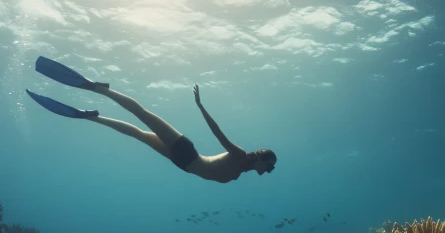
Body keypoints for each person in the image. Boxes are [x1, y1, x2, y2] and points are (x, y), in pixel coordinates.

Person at [25, 57, 277, 183]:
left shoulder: (242, 170)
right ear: (263, 158)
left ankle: (91, 117)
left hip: (183, 163)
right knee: (141, 114)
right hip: (186, 152)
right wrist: (200, 105)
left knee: (136, 132)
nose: (268, 172)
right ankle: (98, 88)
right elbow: (218, 133)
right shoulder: (241, 156)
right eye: (270, 166)